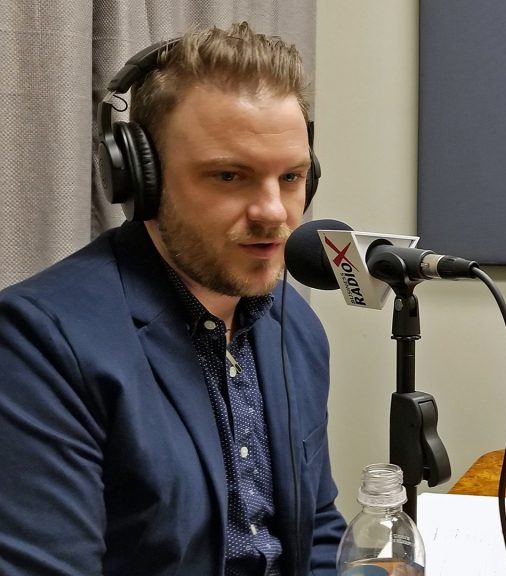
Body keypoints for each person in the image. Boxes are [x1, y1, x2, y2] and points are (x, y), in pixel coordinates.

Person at [0, 23, 346, 575]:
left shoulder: (293, 325)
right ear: (142, 181)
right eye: (230, 176)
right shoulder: (41, 344)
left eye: (291, 177)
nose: (274, 213)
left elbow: (318, 528)